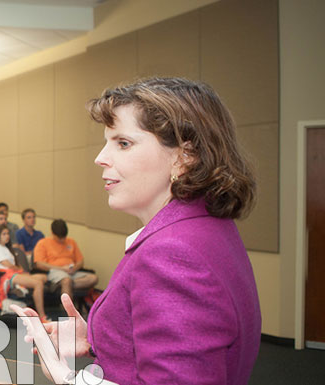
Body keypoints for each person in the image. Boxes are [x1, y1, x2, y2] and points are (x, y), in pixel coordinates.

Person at [18, 78, 261, 384]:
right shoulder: (207, 227)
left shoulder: (172, 253)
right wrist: (101, 340)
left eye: (123, 143)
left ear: (184, 155)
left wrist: (66, 377)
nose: (100, 157)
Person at [0, 226, 47, 321]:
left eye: (7, 234)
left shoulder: (6, 248)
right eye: (4, 234)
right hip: (6, 276)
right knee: (38, 283)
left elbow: (14, 264)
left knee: (43, 277)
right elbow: (7, 264)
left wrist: (20, 270)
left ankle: (34, 305)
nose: (7, 236)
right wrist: (20, 270)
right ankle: (42, 316)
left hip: (13, 273)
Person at [32, 219, 98, 298]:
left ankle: (62, 286)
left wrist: (75, 268)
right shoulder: (43, 243)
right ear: (52, 233)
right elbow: (39, 264)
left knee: (93, 278)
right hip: (55, 271)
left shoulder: (71, 242)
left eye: (64, 237)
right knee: (66, 280)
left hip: (71, 272)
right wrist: (62, 269)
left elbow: (80, 261)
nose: (62, 240)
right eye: (59, 238)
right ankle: (67, 308)